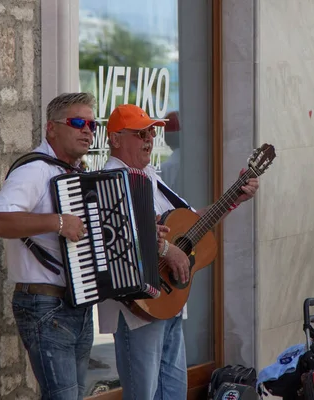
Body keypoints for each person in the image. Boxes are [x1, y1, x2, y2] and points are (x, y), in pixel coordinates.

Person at [0, 93, 168, 400]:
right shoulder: (34, 171)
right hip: (44, 305)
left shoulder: (77, 175)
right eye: (78, 122)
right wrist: (57, 223)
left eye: (92, 125)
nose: (87, 131)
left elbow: (103, 238)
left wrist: (144, 238)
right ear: (51, 129)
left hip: (77, 304)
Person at [98, 103, 260, 400]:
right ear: (116, 139)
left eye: (150, 132)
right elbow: (117, 234)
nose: (148, 139)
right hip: (138, 307)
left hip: (168, 301)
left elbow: (191, 223)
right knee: (143, 394)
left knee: (173, 392)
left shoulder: (150, 175)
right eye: (139, 133)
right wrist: (165, 248)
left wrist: (234, 198)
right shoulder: (108, 181)